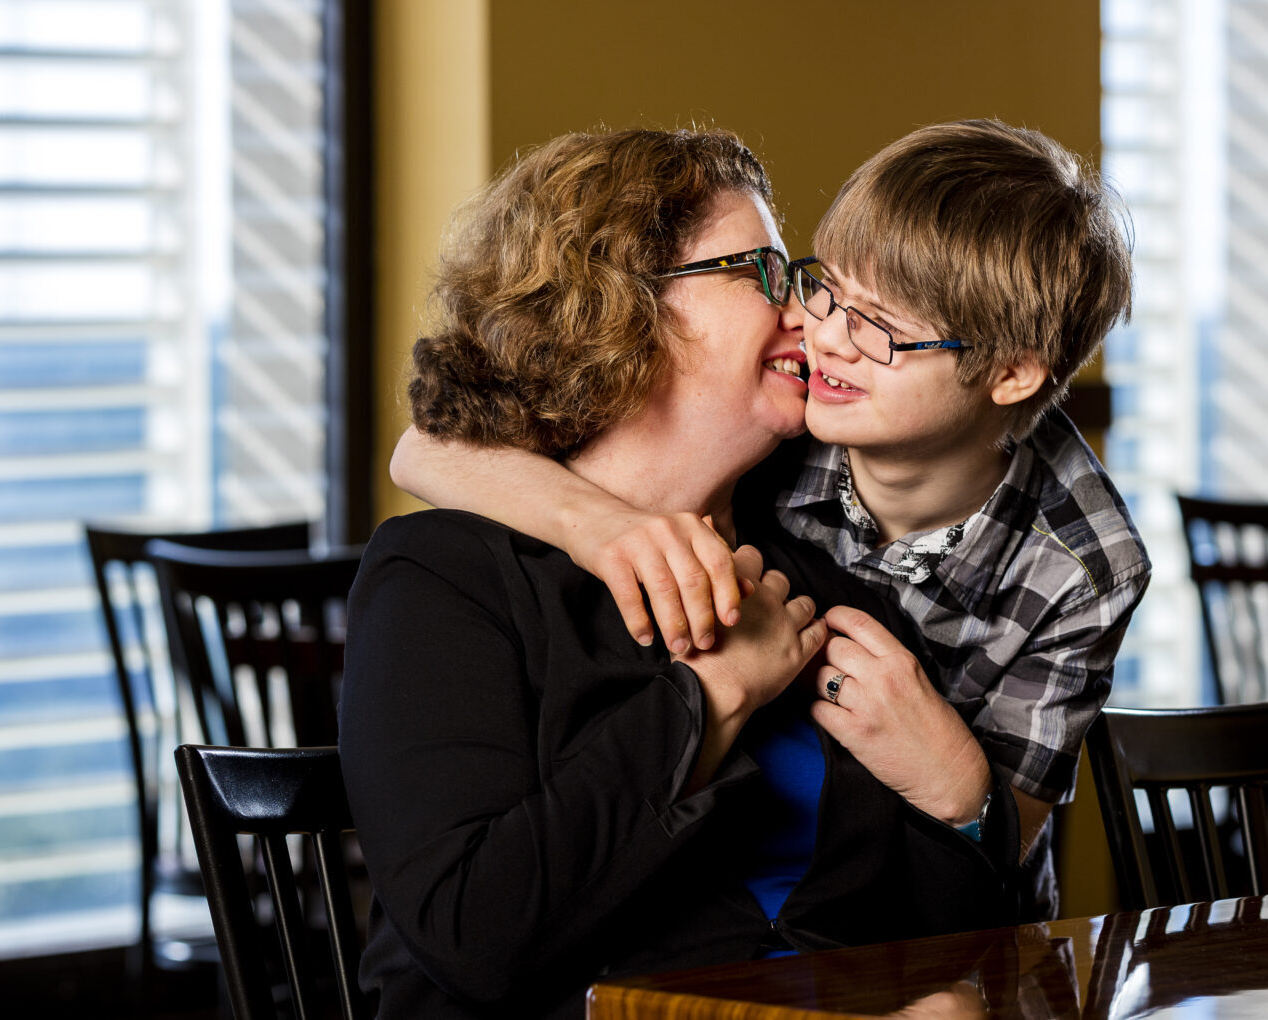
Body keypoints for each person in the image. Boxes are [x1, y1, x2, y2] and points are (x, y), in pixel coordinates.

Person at [340, 127, 1025, 1020]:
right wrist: (713, 698)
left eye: (800, 277)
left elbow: (955, 957)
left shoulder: (821, 580)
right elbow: (476, 939)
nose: (808, 314)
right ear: (615, 305)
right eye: (761, 274)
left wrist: (960, 797)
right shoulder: (447, 580)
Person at [389, 119, 1150, 915]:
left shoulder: (1086, 561)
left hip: (945, 914)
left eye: (883, 326)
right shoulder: (791, 420)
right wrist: (601, 526)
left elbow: (1005, 842)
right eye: (821, 287)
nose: (825, 336)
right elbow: (425, 450)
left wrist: (954, 775)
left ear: (1011, 372)